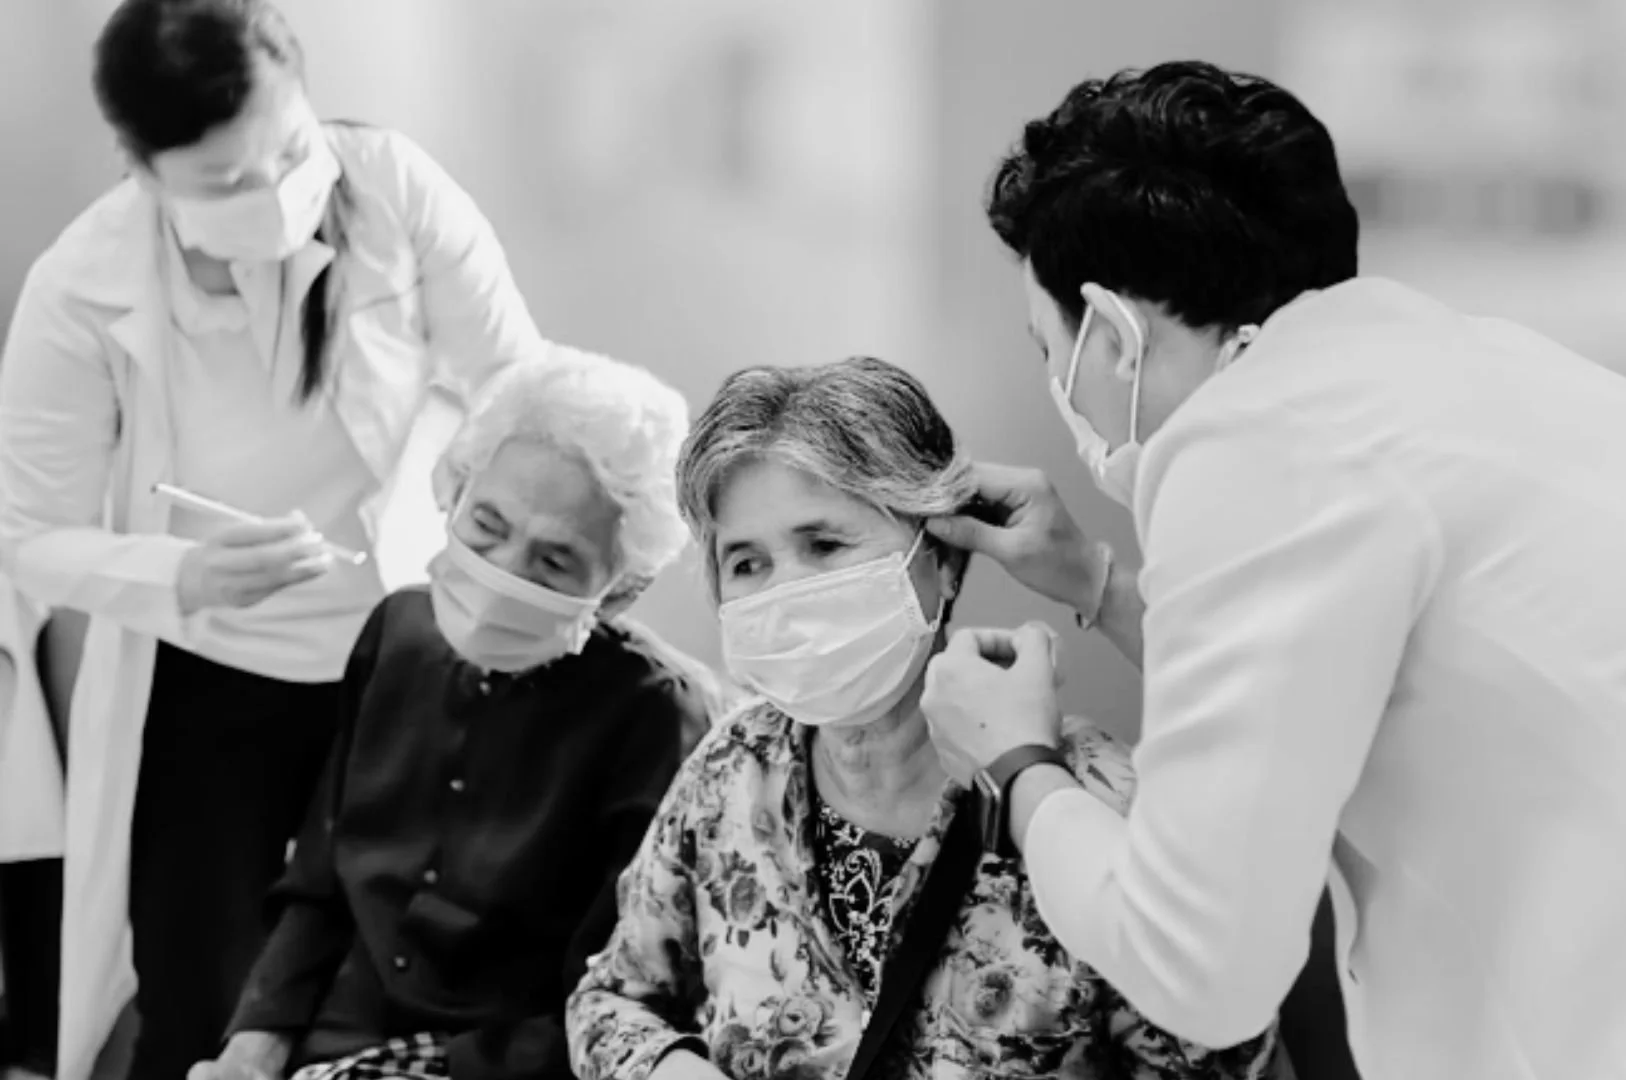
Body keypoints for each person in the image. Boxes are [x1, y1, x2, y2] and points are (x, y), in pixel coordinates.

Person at [918, 60, 1626, 1080]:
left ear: (1114, 337)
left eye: (1048, 348)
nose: (1057, 388)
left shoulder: (1255, 444)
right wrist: (1094, 581)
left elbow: (1198, 964)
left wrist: (1018, 766)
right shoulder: (1431, 369)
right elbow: (1330, 678)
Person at [0, 2, 548, 1078]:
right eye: (224, 181)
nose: (274, 194)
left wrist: (481, 480)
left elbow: (516, 380)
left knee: (401, 988)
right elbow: (28, 535)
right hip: (211, 677)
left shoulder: (393, 188)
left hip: (403, 658)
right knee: (206, 1003)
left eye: (289, 152)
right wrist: (184, 574)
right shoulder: (81, 286)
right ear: (140, 165)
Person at [565, 358, 1281, 1080]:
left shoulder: (1093, 800)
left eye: (825, 545)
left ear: (941, 561)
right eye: (747, 563)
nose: (786, 594)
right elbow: (611, 1002)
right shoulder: (733, 767)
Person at [185, 346, 714, 1080]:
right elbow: (320, 884)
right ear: (454, 492)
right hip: (336, 1037)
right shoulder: (395, 632)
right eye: (487, 525)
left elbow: (625, 994)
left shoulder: (659, 716)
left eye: (553, 562)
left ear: (621, 590)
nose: (502, 571)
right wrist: (253, 1047)